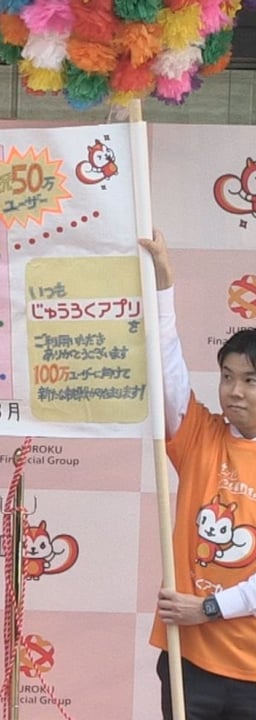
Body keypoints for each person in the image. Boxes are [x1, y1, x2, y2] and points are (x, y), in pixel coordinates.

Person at [142, 230, 256, 719]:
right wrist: (163, 282)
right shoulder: (201, 437)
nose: (234, 391)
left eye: (250, 380)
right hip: (190, 663)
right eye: (227, 377)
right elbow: (166, 364)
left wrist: (208, 608)